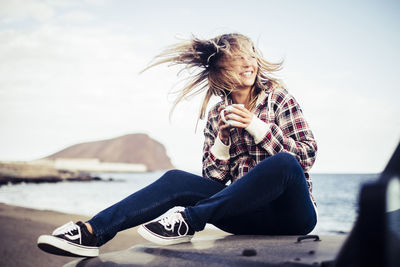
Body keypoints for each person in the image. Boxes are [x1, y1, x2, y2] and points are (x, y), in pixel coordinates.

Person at [37, 33, 318, 258]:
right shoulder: (216, 116)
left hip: (292, 216)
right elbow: (213, 183)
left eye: (252, 55)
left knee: (284, 163)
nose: (249, 63)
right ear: (221, 71)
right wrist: (222, 141)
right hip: (245, 216)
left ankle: (188, 220)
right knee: (175, 179)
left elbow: (306, 156)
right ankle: (91, 232)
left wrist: (257, 127)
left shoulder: (279, 99)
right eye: (239, 58)